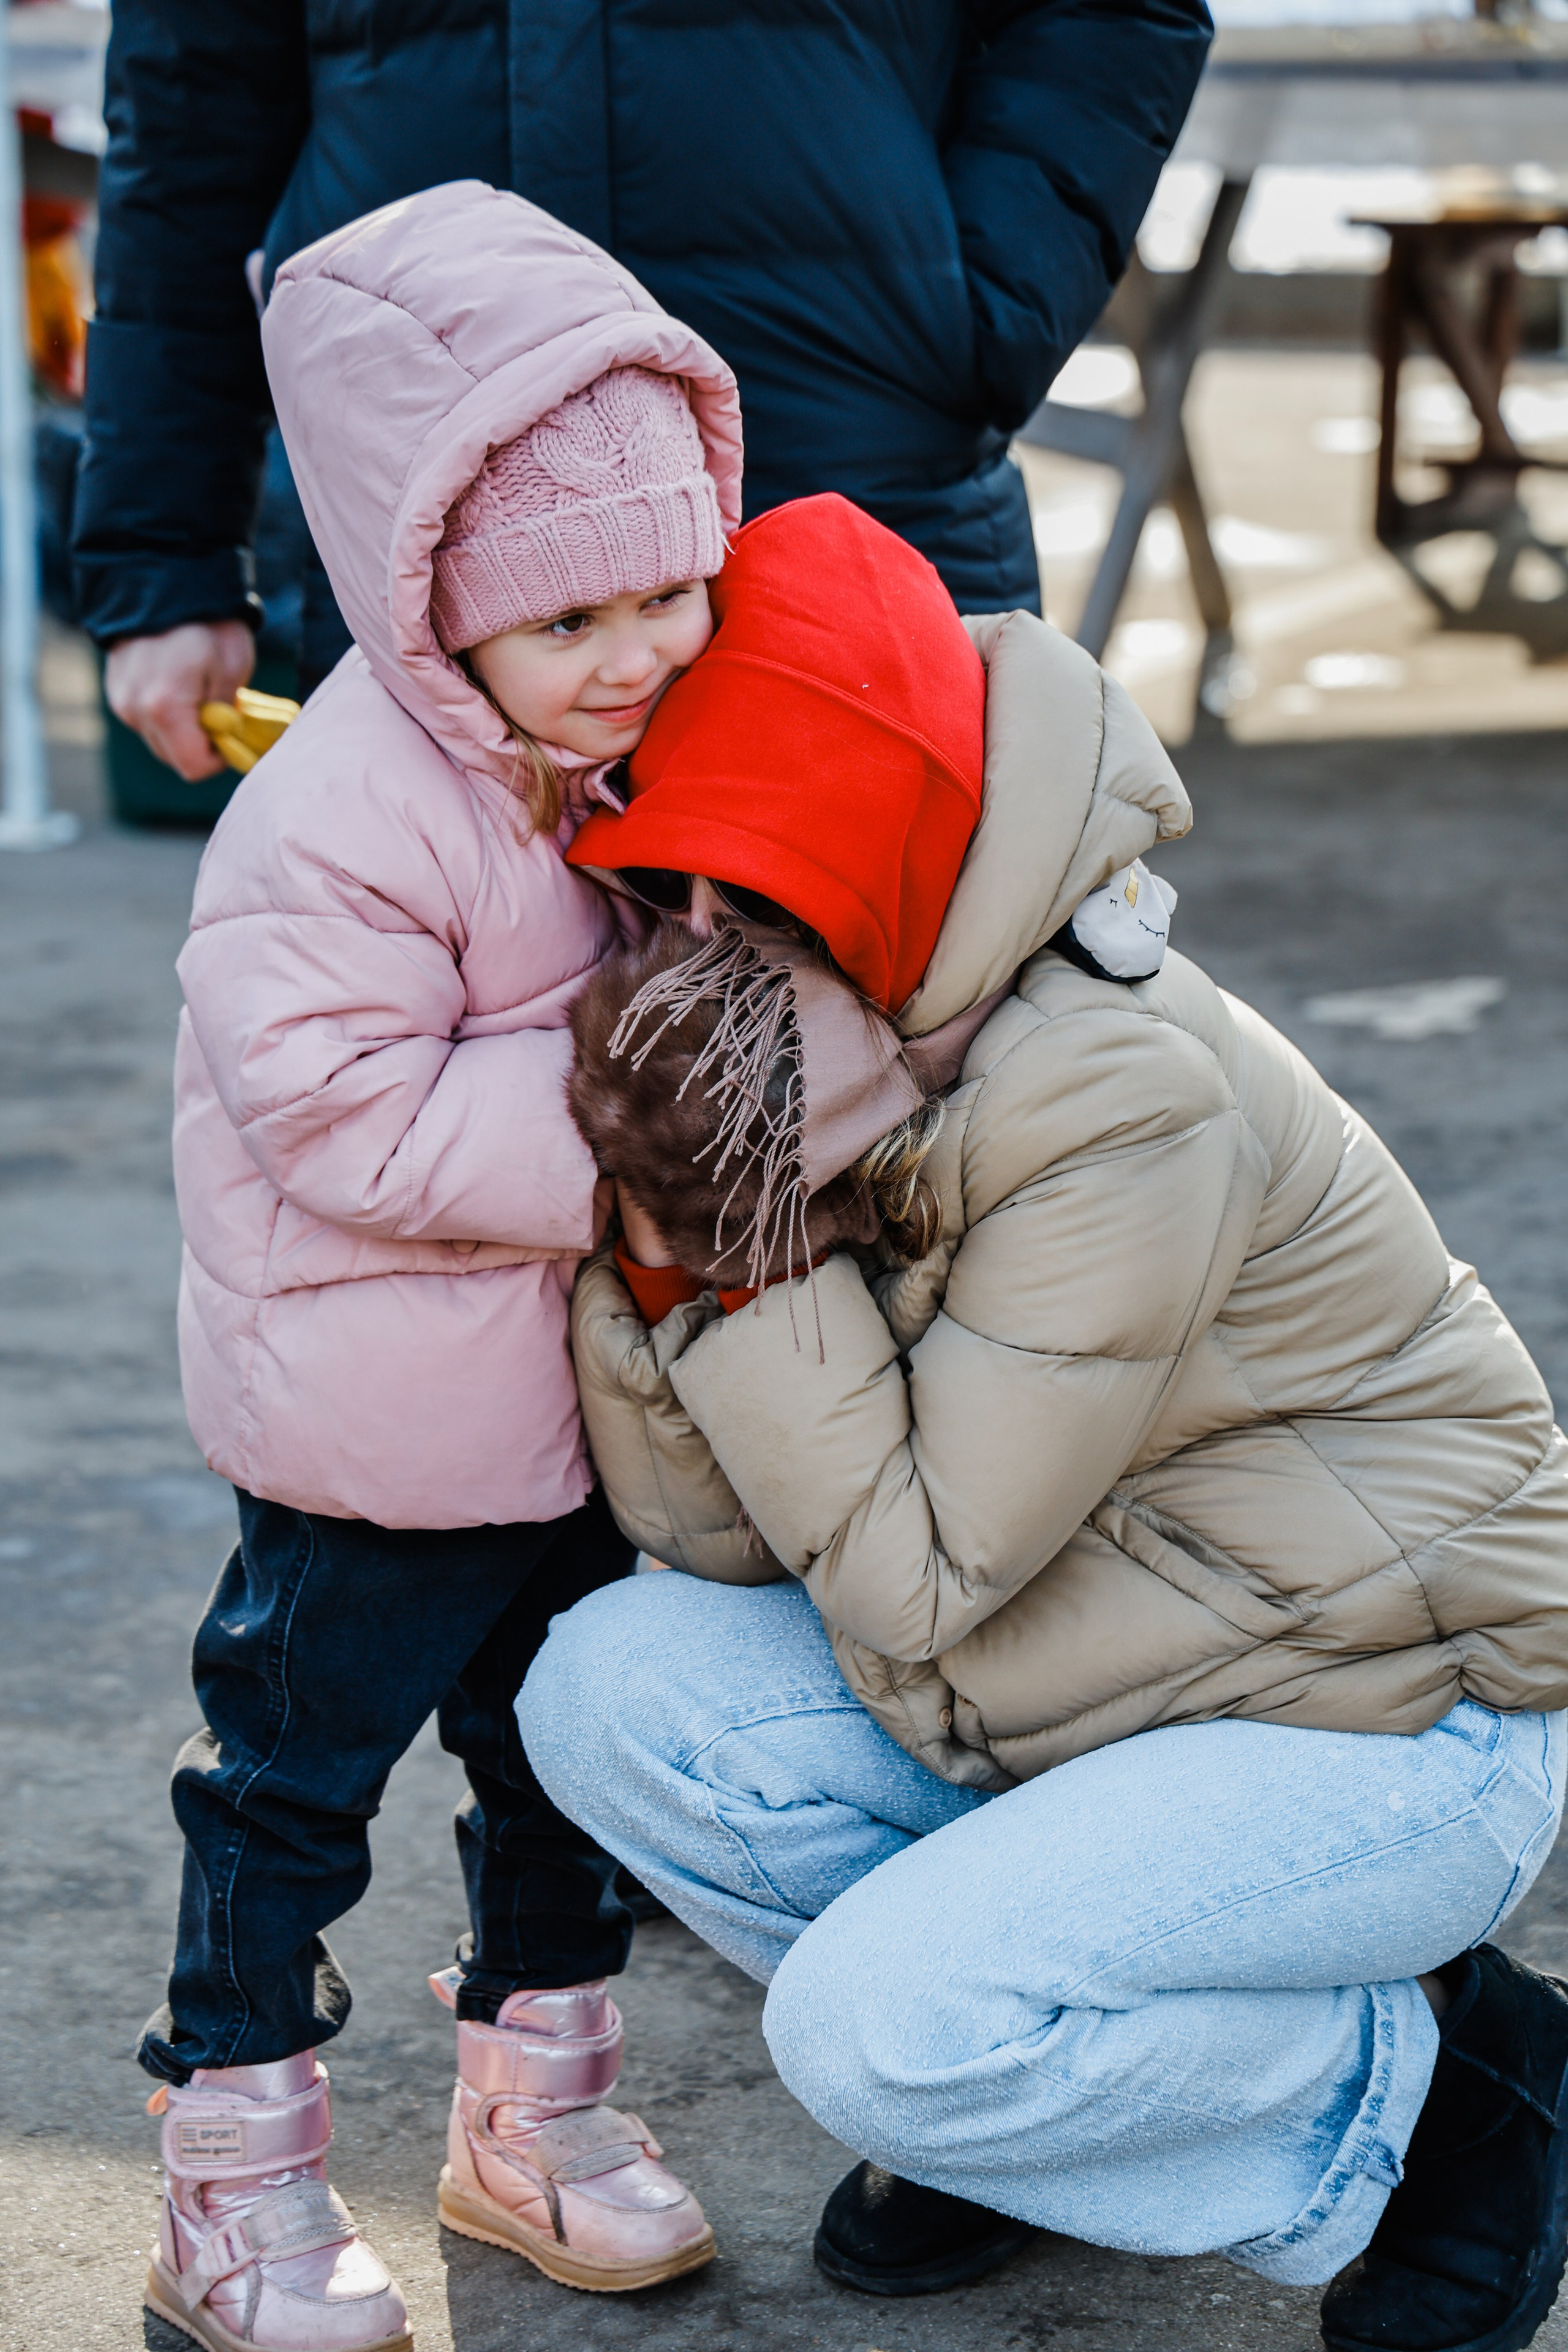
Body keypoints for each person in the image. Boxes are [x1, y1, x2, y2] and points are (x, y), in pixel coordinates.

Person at [521, 491, 1568, 2352]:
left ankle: (1449, 2095)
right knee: (612, 1690)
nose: (688, 953)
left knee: (878, 2034)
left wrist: (746, 1259)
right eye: (659, 890)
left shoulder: (1110, 1089)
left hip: (1383, 1715)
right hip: (1109, 1673)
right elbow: (727, 1545)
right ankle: (1039, 2100)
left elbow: (912, 1579)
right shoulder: (847, 1047)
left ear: (880, 872)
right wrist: (678, 1244)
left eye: (747, 901)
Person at [140, 183, 745, 2352]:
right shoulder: (335, 815)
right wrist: (649, 1140)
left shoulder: (635, 757)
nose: (640, 652)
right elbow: (344, 1116)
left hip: (582, 1414)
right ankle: (233, 2156)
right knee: (291, 1791)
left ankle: (540, 2109)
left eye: (674, 592)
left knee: (565, 1769)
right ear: (432, 606)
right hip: (371, 1441)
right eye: (575, 619)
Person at [73, 0, 1213, 780]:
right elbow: (189, 116)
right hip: (437, 519)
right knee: (449, 1065)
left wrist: (981, 309)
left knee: (916, 1069)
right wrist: (163, 555)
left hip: (850, 444)